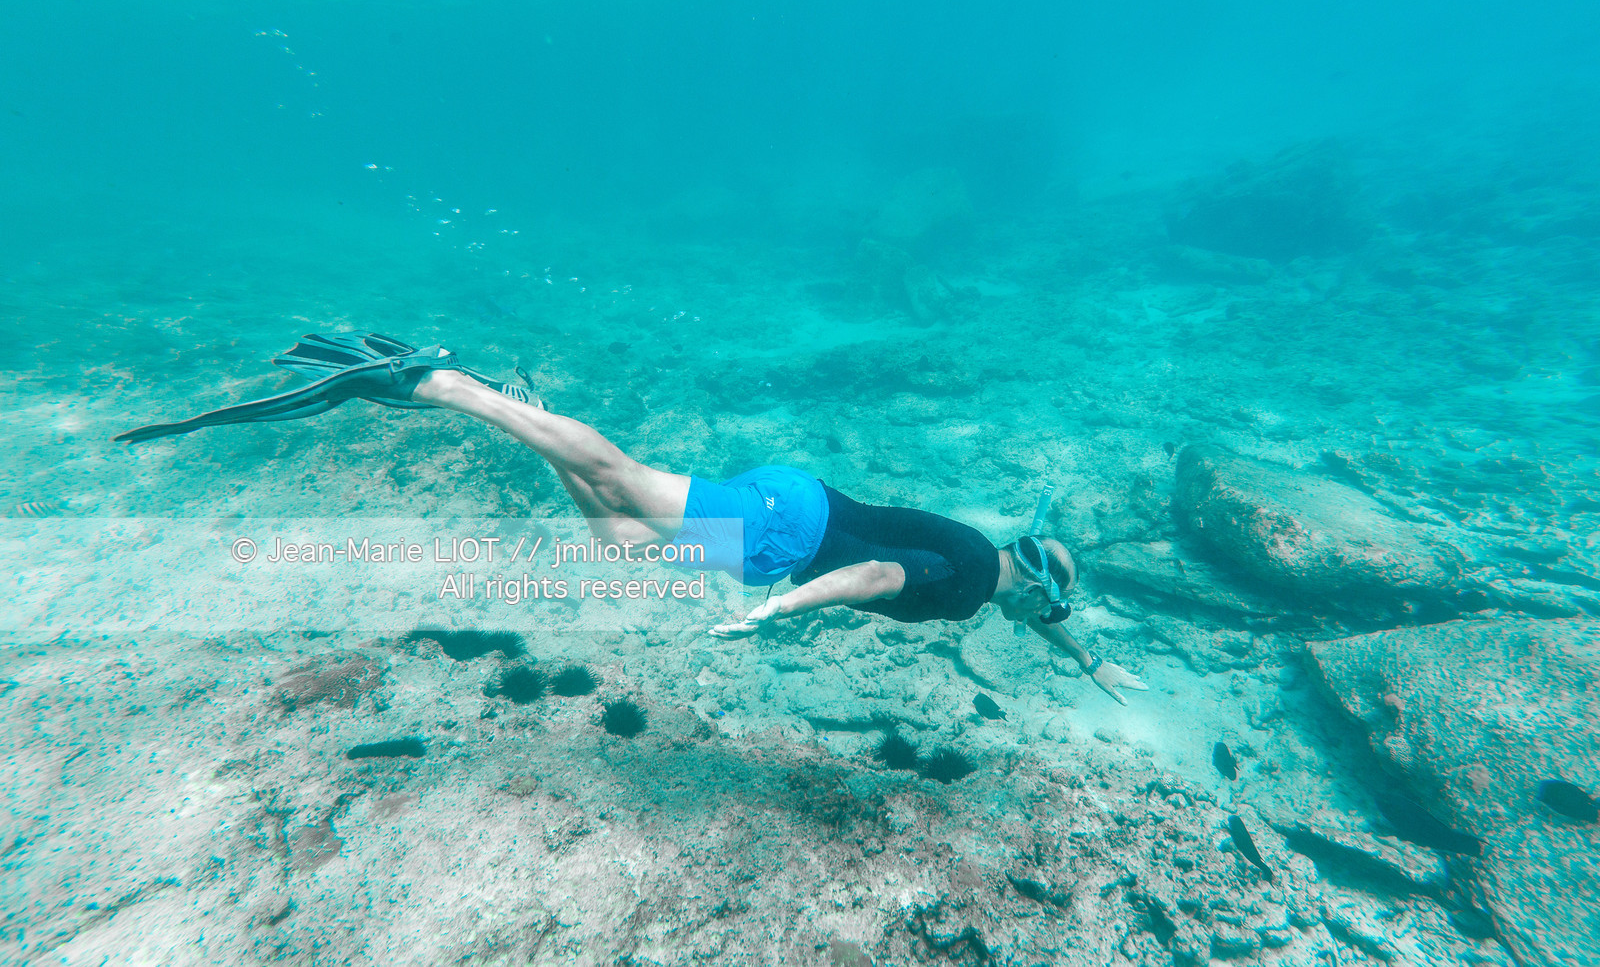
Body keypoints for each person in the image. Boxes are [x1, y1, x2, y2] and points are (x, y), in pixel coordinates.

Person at [116, 332, 1148, 704]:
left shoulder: (988, 561)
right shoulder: (970, 588)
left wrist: (1092, 662)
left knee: (614, 530)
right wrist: (775, 618)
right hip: (786, 536)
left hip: (795, 512)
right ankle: (434, 382)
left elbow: (1037, 613)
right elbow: (877, 580)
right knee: (615, 471)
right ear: (1035, 590)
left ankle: (505, 398)